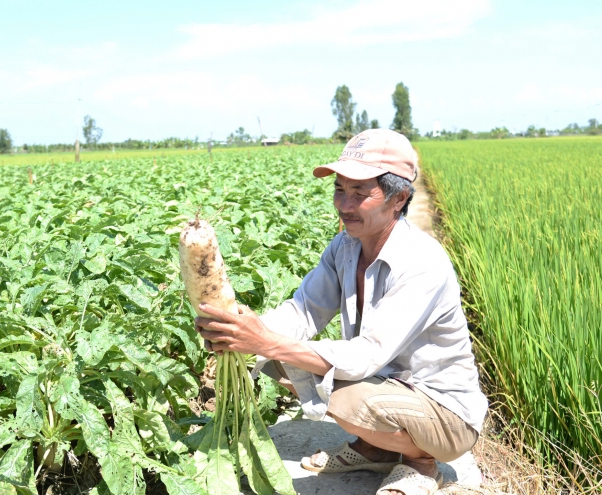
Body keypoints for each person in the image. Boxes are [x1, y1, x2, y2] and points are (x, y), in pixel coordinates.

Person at [194, 128, 488, 495]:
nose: (344, 205)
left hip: (443, 413)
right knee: (278, 360)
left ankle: (421, 462)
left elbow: (367, 355)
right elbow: (304, 311)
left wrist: (265, 341)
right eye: (339, 190)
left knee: (336, 391)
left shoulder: (422, 262)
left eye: (359, 194)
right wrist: (243, 330)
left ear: (399, 198)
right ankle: (376, 448)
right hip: (388, 387)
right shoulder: (345, 247)